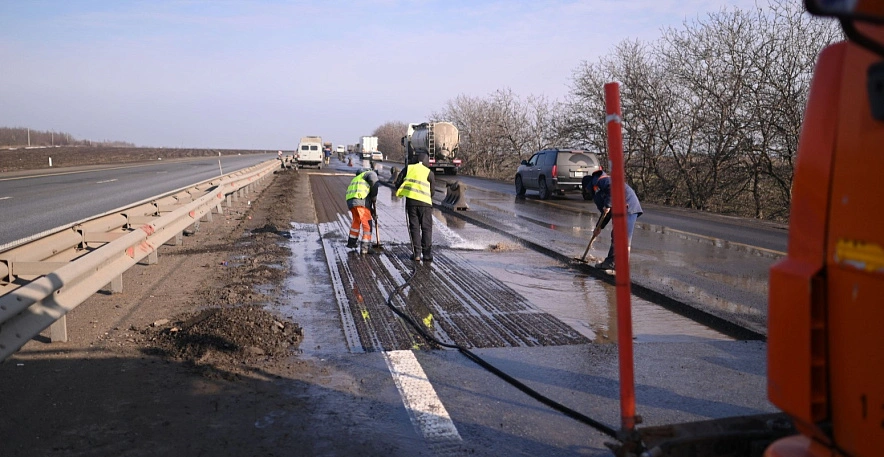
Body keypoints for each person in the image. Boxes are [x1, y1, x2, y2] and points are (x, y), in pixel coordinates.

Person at [583, 169, 643, 270]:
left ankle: (611, 263)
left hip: (628, 205)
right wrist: (599, 227)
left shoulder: (601, 181)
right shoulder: (598, 192)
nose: (587, 191)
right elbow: (605, 213)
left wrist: (607, 204)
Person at [394, 152, 436, 262]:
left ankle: (417, 254)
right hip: (425, 204)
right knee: (426, 228)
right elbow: (432, 191)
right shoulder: (429, 173)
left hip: (411, 203)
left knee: (414, 228)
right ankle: (427, 254)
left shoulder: (408, 169)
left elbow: (398, 182)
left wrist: (405, 191)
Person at [345, 168, 379, 254]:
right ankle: (365, 248)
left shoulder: (357, 178)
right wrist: (374, 196)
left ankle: (351, 243)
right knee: (367, 225)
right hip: (360, 201)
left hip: (351, 202)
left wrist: (372, 212)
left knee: (356, 222)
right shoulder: (370, 173)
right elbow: (374, 180)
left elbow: (365, 203)